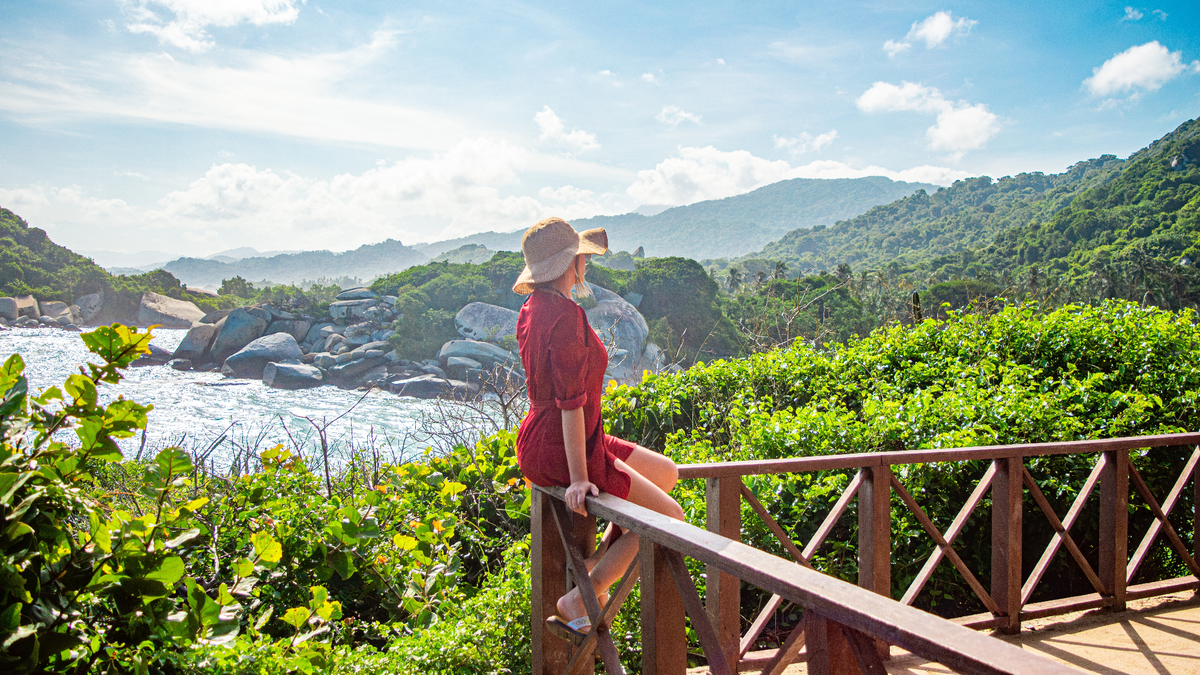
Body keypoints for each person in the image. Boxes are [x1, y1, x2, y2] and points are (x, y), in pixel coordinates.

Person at [512, 217, 685, 642]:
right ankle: (584, 595)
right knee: (671, 517)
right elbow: (570, 404)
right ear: (571, 263)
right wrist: (579, 480)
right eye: (581, 256)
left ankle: (594, 566)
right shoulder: (566, 316)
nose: (585, 262)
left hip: (554, 436)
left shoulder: (531, 309)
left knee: (667, 473)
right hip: (563, 443)